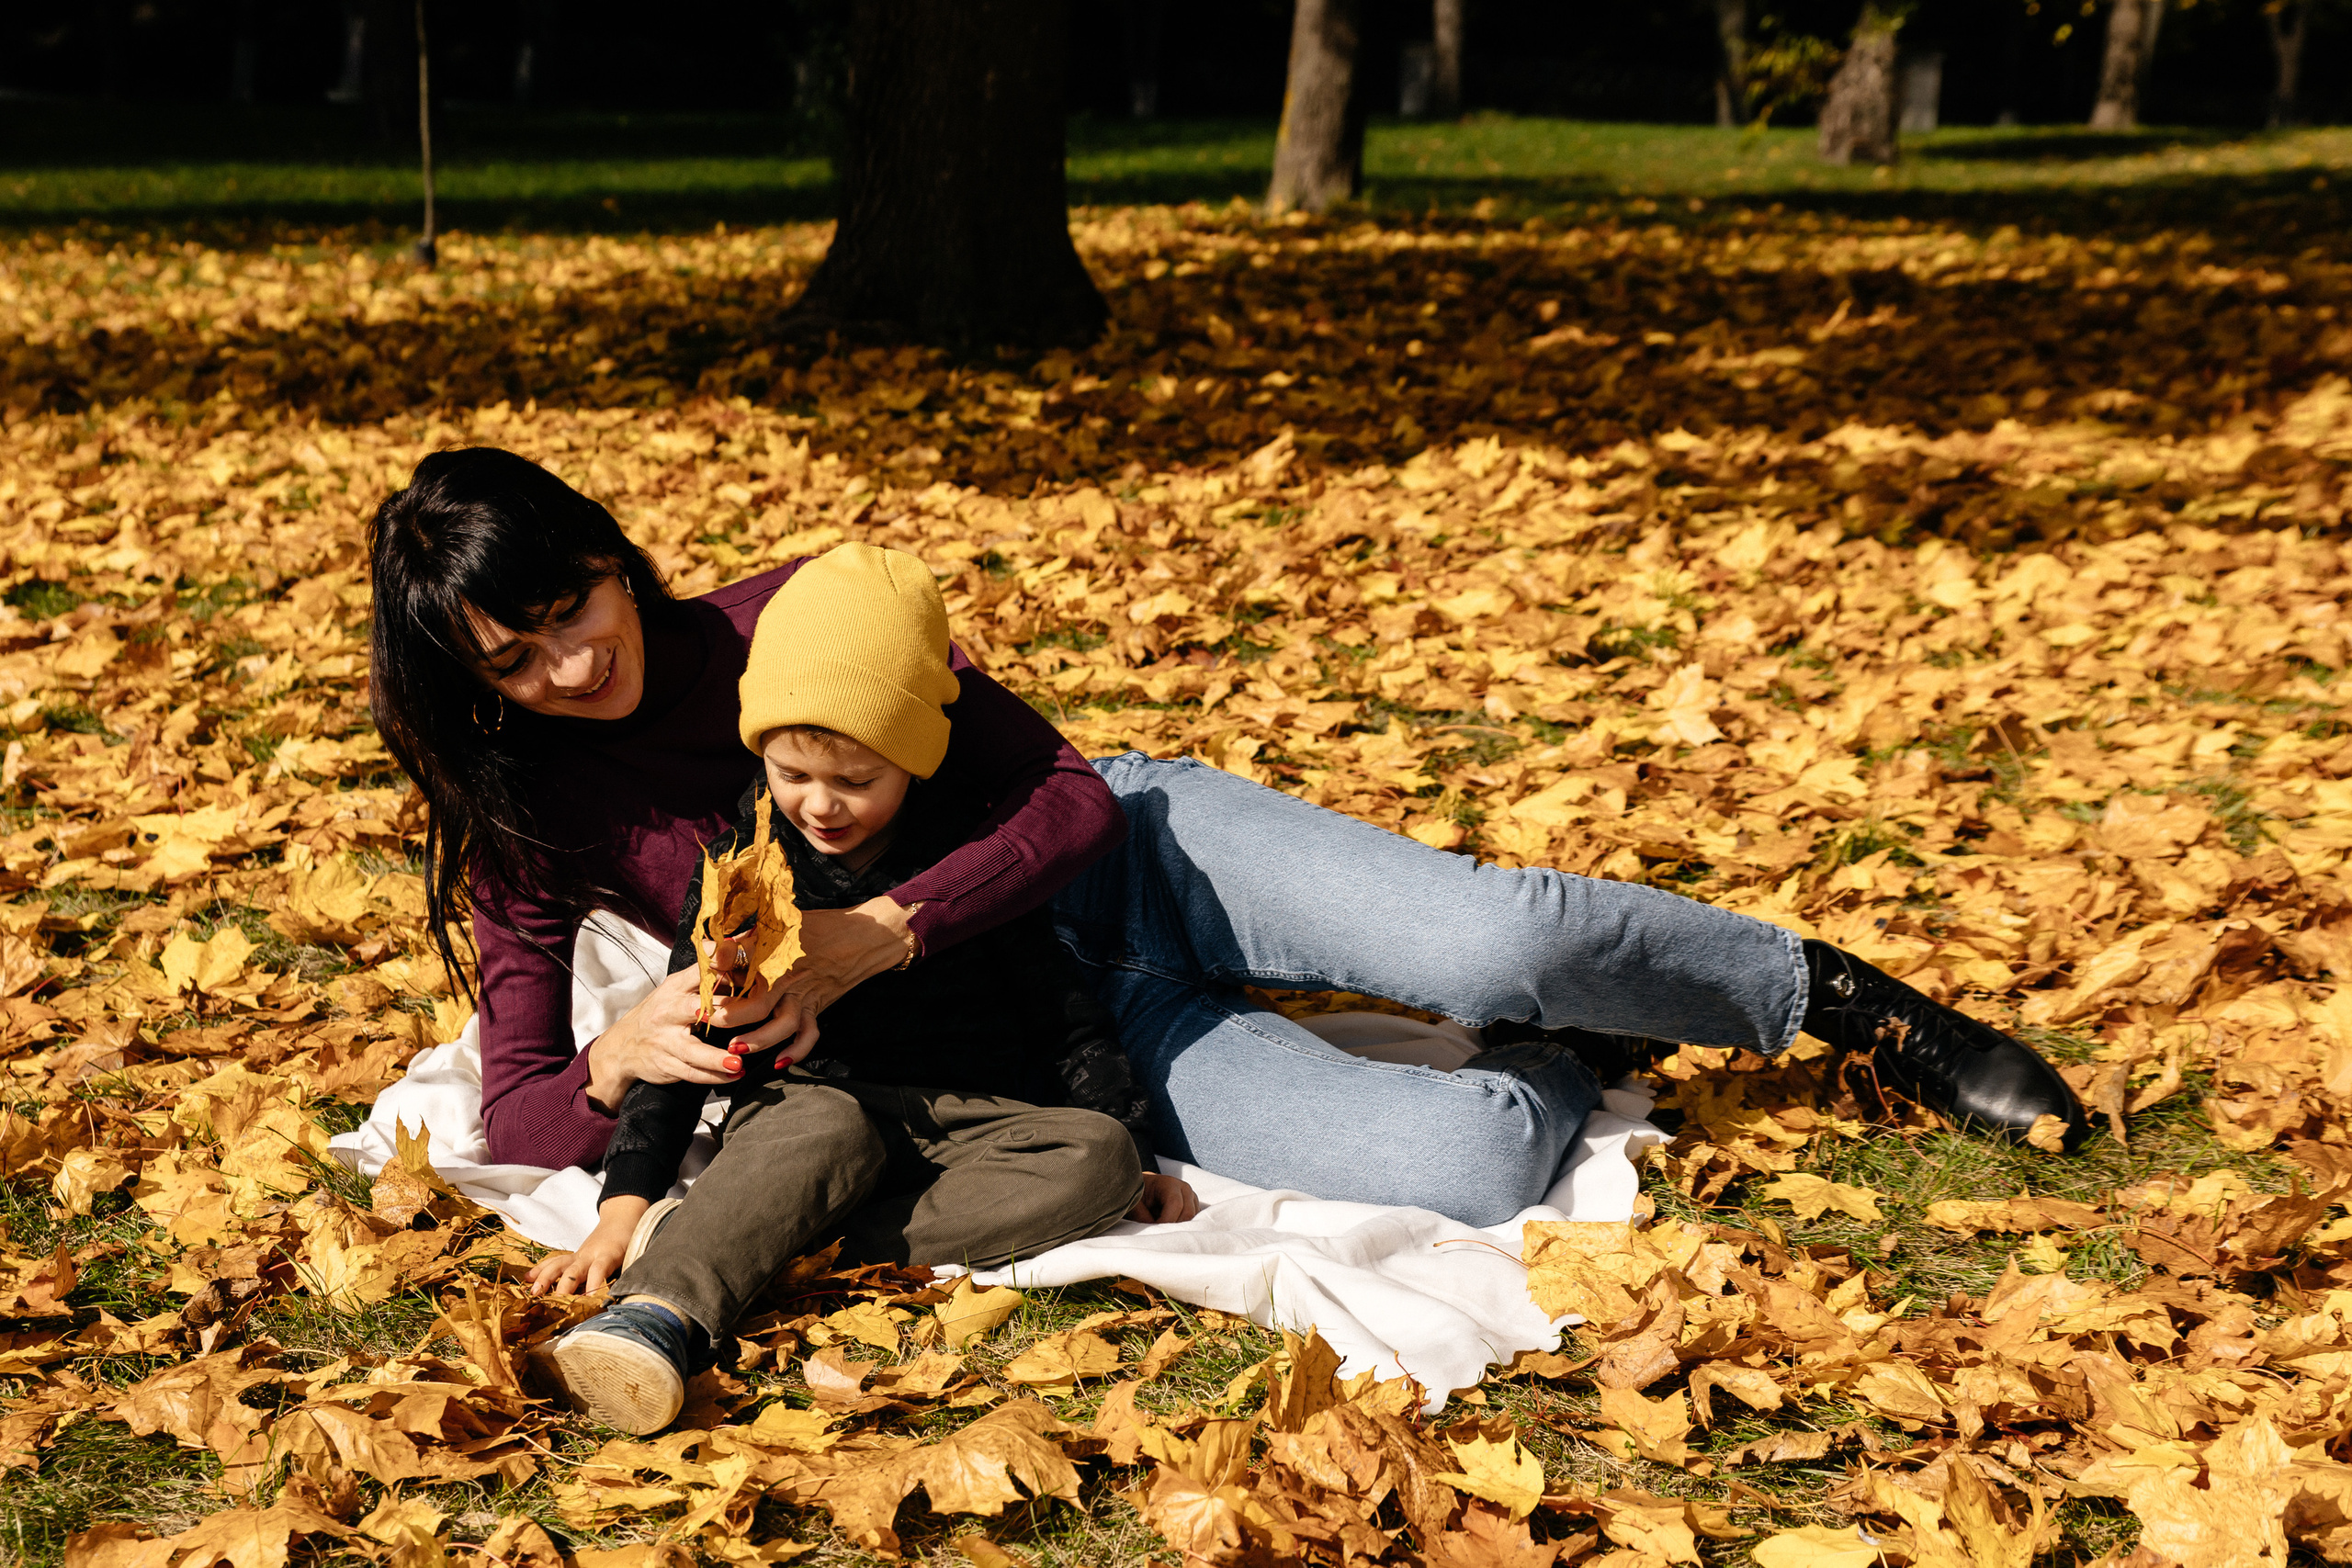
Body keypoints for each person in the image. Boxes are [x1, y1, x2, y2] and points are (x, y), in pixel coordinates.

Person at [367, 452, 2086, 1234]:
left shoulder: (802, 617)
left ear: (612, 554)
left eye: (570, 607)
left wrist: (888, 925)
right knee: (1467, 1169)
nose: (568, 667)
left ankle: (1842, 1002)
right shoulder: (528, 822)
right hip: (1056, 1037)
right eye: (511, 663)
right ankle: (1569, 1050)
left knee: (1488, 937)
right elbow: (516, 1107)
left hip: (1137, 857)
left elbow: (1066, 795)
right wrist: (615, 1058)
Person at [523, 544, 1194, 1433]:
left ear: (914, 760)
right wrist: (623, 1208)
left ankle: (764, 1243)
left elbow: (1062, 1010)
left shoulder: (962, 860)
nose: (821, 805)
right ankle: (658, 1311)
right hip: (809, 1111)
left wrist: (1135, 1148)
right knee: (825, 1125)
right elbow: (686, 1045)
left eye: (856, 780)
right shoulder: (741, 871)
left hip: (967, 1117)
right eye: (792, 774)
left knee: (1094, 1157)